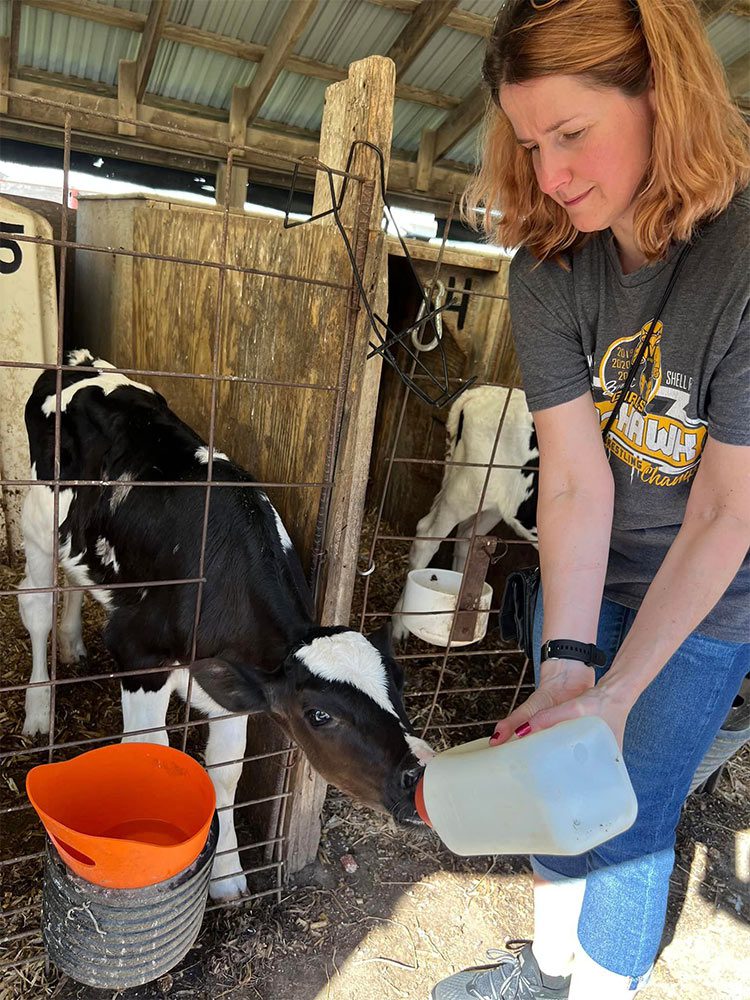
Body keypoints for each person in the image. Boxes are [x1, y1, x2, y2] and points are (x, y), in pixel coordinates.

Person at [431, 1, 750, 998]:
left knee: (632, 806)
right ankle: (550, 969)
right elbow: (571, 477)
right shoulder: (547, 270)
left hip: (709, 593)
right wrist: (572, 668)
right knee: (553, 759)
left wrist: (618, 696)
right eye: (530, 145)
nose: (552, 176)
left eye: (573, 134)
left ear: (665, 97)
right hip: (589, 572)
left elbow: (725, 512)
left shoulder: (740, 262)